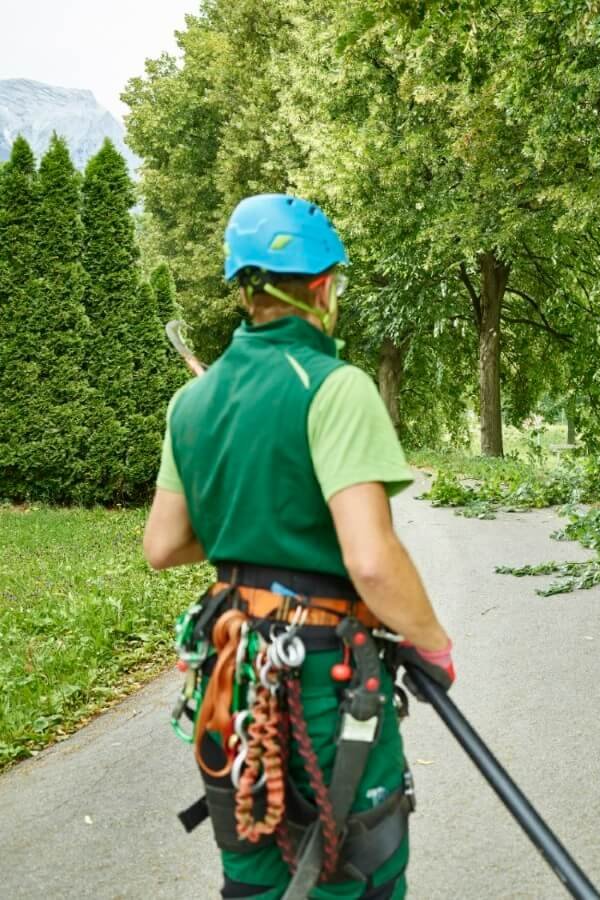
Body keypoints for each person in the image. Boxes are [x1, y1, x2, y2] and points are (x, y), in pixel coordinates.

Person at [142, 193, 455, 900]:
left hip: (231, 671)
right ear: (321, 287)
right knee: (355, 873)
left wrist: (245, 523)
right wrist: (431, 642)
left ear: (245, 288)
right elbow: (370, 560)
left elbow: (164, 545)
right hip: (319, 676)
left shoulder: (193, 403)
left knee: (253, 877)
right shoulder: (335, 388)